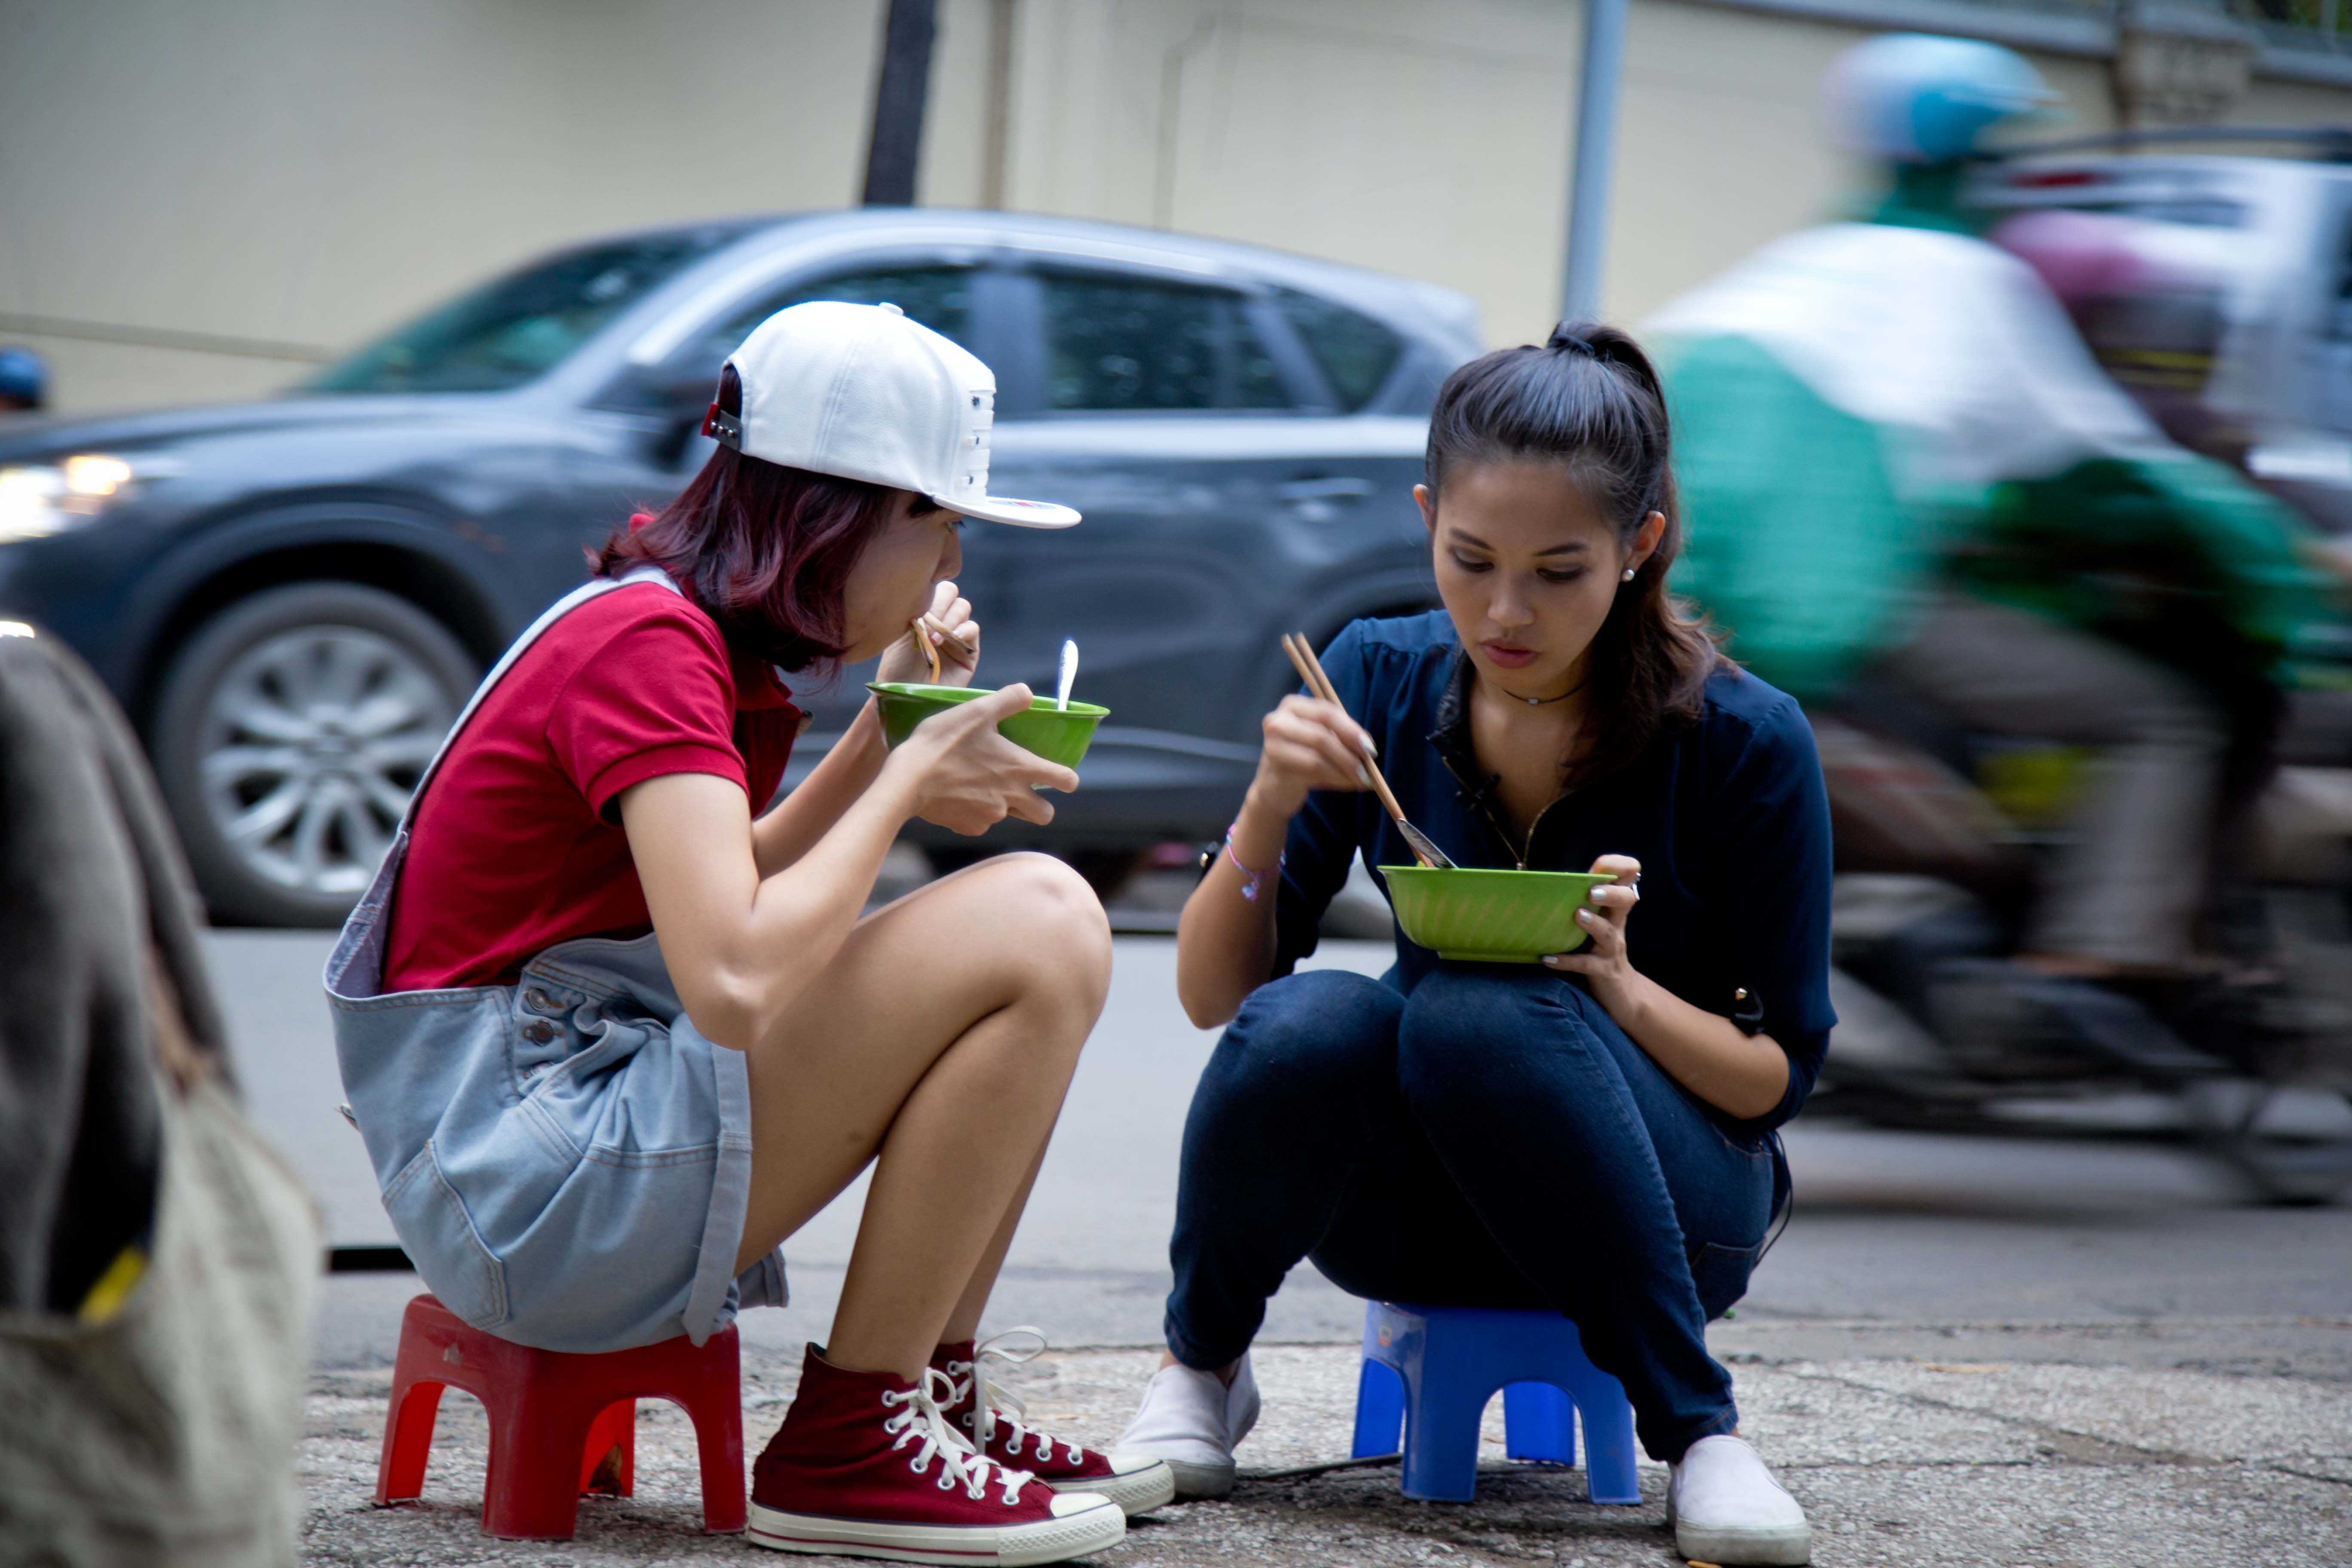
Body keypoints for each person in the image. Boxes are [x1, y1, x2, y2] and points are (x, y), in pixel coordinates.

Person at [326, 301, 1172, 1564]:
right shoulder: (649, 648)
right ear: (836, 515)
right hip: (539, 1191)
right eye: (937, 524)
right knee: (1043, 914)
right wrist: (900, 782)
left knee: (1043, 928)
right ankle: (852, 1437)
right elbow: (730, 979)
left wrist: (889, 730)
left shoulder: (677, 635)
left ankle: (915, 1399)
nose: (950, 567)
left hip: (539, 1165)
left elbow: (743, 879)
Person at [1113, 324, 1828, 1567]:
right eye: (1470, 558)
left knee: (1471, 1012)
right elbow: (1210, 997)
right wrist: (1270, 804)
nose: (1506, 611)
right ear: (1426, 517)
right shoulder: (1376, 680)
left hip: (1675, 1212)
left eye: (1560, 571)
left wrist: (1618, 987)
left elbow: (1777, 1083)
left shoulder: (1745, 745)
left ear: (1641, 543)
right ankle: (1202, 1369)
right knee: (1308, 1019)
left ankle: (1701, 1432)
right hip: (1414, 1215)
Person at [1649, 31, 2336, 980]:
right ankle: (2101, 946)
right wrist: (2289, 567)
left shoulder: (1776, 282)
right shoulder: (1969, 283)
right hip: (1856, 612)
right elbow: (2122, 468)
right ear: (1971, 157)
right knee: (2165, 715)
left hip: (1715, 618)